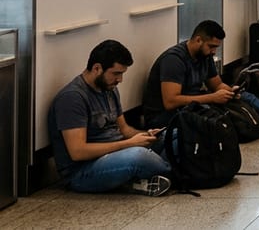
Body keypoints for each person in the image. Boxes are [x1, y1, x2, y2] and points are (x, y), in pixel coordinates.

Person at [142, 20, 259, 135]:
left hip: (192, 104)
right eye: (212, 46)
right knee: (217, 112)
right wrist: (212, 98)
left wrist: (229, 92)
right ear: (198, 40)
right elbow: (170, 101)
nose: (214, 52)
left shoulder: (204, 57)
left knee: (244, 97)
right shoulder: (174, 60)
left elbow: (217, 84)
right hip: (165, 116)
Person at [49, 40, 172, 196]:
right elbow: (78, 151)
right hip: (83, 171)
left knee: (171, 136)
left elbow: (125, 130)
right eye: (116, 73)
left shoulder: (109, 89)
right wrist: (128, 144)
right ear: (97, 68)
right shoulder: (72, 98)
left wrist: (145, 135)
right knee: (139, 156)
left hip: (116, 152)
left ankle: (159, 173)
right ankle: (180, 172)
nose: (120, 80)